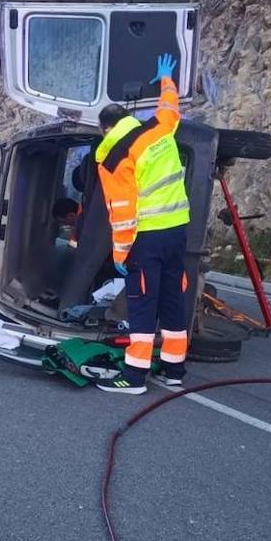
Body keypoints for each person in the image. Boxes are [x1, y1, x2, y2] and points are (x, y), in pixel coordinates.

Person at [93, 53, 190, 394]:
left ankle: (134, 377)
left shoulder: (112, 156)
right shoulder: (158, 128)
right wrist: (166, 79)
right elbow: (170, 107)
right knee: (172, 299)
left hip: (146, 238)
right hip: (178, 230)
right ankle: (175, 370)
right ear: (128, 119)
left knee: (142, 304)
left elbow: (121, 209)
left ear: (105, 128)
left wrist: (121, 256)